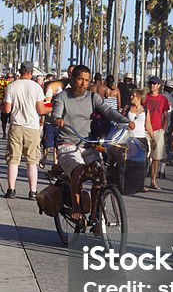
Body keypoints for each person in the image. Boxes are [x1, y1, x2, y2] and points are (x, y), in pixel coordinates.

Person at [51, 65, 134, 221]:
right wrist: (57, 119)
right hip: (67, 144)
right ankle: (76, 208)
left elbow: (108, 111)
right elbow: (56, 112)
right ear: (72, 79)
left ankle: (95, 214)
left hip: (88, 144)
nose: (83, 84)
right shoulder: (62, 97)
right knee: (79, 170)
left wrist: (125, 121)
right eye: (80, 79)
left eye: (87, 80)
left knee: (100, 175)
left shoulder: (93, 97)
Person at [3, 64, 51, 200]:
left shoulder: (11, 86)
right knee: (32, 161)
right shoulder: (36, 87)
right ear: (31, 73)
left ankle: (11, 190)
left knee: (13, 160)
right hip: (32, 127)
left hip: (16, 126)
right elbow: (41, 110)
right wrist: (53, 108)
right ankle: (33, 191)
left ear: (19, 72)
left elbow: (7, 109)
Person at [143, 76, 170, 190]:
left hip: (158, 130)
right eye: (151, 83)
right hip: (145, 130)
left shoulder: (163, 99)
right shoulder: (145, 97)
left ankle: (153, 180)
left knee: (156, 157)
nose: (152, 85)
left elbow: (165, 115)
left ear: (159, 85)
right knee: (144, 156)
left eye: (154, 83)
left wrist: (163, 129)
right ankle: (141, 179)